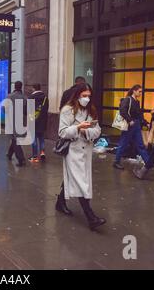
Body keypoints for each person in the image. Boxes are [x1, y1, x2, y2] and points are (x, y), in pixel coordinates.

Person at [57, 83, 106, 230]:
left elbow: (97, 130)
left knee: (75, 177)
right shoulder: (67, 110)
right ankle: (91, 218)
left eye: (89, 96)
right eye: (84, 95)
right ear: (77, 95)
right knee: (80, 182)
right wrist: (78, 128)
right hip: (73, 150)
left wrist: (87, 131)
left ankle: (60, 203)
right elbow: (62, 132)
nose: (86, 98)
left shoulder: (91, 110)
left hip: (86, 150)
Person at [113, 85, 150, 170]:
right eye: (139, 91)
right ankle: (116, 161)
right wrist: (129, 120)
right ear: (134, 91)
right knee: (123, 143)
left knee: (140, 144)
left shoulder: (137, 101)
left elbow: (139, 114)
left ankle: (148, 162)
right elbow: (122, 110)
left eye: (141, 91)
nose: (141, 93)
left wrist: (145, 122)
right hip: (130, 125)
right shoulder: (128, 99)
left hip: (136, 124)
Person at [6, 81, 27, 167]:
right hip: (21, 121)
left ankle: (21, 159)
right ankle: (9, 154)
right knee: (14, 138)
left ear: (14, 86)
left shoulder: (10, 96)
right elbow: (26, 111)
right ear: (21, 87)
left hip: (11, 120)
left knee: (15, 139)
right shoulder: (25, 97)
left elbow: (4, 109)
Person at [28, 84, 49, 163]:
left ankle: (35, 156)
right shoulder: (45, 98)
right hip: (43, 121)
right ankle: (42, 152)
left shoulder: (30, 97)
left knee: (34, 139)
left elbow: (28, 110)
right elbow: (46, 109)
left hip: (33, 121)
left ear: (33, 88)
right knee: (41, 138)